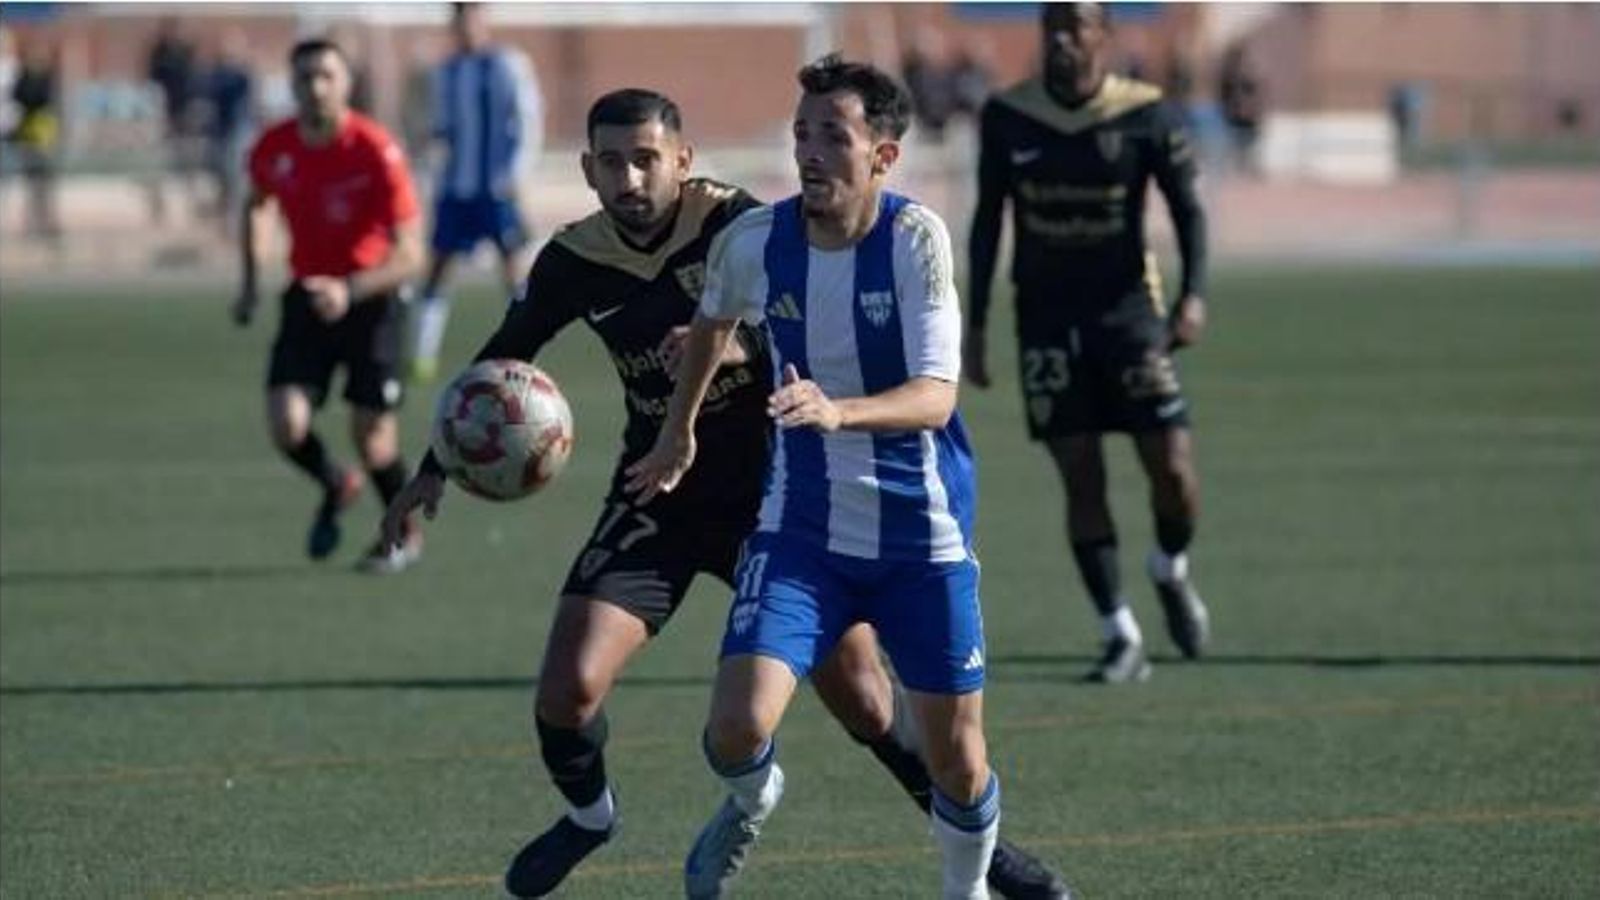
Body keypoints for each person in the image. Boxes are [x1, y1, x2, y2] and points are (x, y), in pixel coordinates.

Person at [380, 88, 1068, 900]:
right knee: (566, 691)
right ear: (588, 171)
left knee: (868, 703)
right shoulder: (575, 258)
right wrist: (432, 468)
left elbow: (805, 317)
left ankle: (983, 856)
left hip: (779, 497)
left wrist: (738, 348)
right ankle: (593, 817)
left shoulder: (738, 225)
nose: (630, 178)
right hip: (659, 487)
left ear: (682, 158)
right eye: (611, 162)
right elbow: (504, 356)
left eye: (646, 159)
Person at [628, 55, 1021, 900]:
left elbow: (934, 396)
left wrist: (840, 412)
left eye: (832, 136)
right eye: (801, 132)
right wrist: (677, 432)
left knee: (957, 761)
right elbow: (710, 323)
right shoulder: (756, 241)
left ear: (881, 156)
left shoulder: (914, 240)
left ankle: (966, 889)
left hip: (923, 536)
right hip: (801, 531)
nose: (809, 151)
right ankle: (753, 793)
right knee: (735, 728)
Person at [965, 2, 1210, 684]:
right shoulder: (1009, 116)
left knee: (1175, 471)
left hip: (1130, 317)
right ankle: (1118, 631)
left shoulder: (1148, 114)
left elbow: (1189, 209)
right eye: (1053, 30)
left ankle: (1170, 567)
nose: (1064, 42)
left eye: (1077, 29)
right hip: (1044, 320)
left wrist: (1194, 295)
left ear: (1105, 37)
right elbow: (988, 222)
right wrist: (977, 327)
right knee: (1081, 474)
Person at [233, 38, 426, 573]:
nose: (315, 87)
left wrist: (352, 289)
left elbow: (412, 253)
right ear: (291, 85)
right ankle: (334, 481)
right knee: (285, 423)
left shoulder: (375, 149)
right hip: (308, 297)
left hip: (374, 299)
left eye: (326, 76)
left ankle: (403, 535)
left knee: (372, 433)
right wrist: (250, 280)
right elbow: (255, 205)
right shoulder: (274, 147)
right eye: (304, 78)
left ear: (346, 83)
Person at [408, 1, 543, 383]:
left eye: (472, 17)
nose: (466, 26)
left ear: (484, 21)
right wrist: (427, 149)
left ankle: (521, 351)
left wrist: (516, 173)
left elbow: (528, 119)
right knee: (436, 271)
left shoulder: (507, 64)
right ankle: (422, 357)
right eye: (460, 18)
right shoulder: (446, 71)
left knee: (513, 272)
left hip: (495, 189)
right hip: (455, 189)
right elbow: (442, 126)